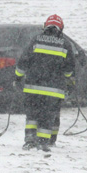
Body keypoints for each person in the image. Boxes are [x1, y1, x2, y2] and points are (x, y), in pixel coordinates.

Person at [15, 14, 76, 152]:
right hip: (54, 90)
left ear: (46, 26)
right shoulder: (65, 44)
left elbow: (24, 60)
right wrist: (70, 81)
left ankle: (30, 139)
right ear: (60, 28)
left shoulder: (36, 40)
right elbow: (69, 69)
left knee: (32, 115)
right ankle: (43, 141)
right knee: (47, 116)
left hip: (32, 87)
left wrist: (18, 77)